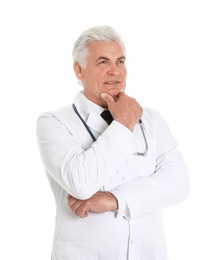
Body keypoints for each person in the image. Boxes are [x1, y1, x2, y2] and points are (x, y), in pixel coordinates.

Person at [36, 25, 189, 260]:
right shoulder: (54, 123)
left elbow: (178, 183)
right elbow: (81, 183)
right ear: (79, 69)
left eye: (120, 61)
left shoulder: (151, 119)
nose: (115, 71)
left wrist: (114, 199)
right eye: (103, 62)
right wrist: (124, 123)